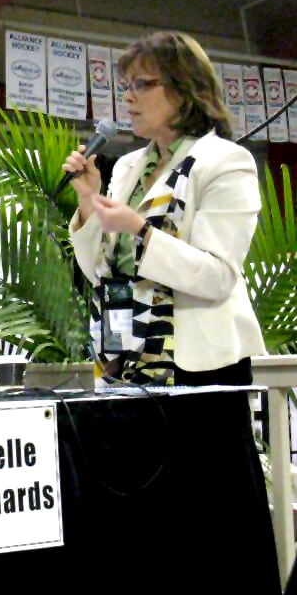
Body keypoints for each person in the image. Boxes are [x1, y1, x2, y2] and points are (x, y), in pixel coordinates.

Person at [63, 31, 265, 386]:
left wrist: (140, 231)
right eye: (126, 85)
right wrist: (88, 200)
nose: (127, 96)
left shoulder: (226, 161)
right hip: (125, 360)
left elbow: (217, 277)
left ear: (185, 89)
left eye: (142, 84)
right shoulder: (128, 167)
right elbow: (100, 272)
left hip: (199, 368)